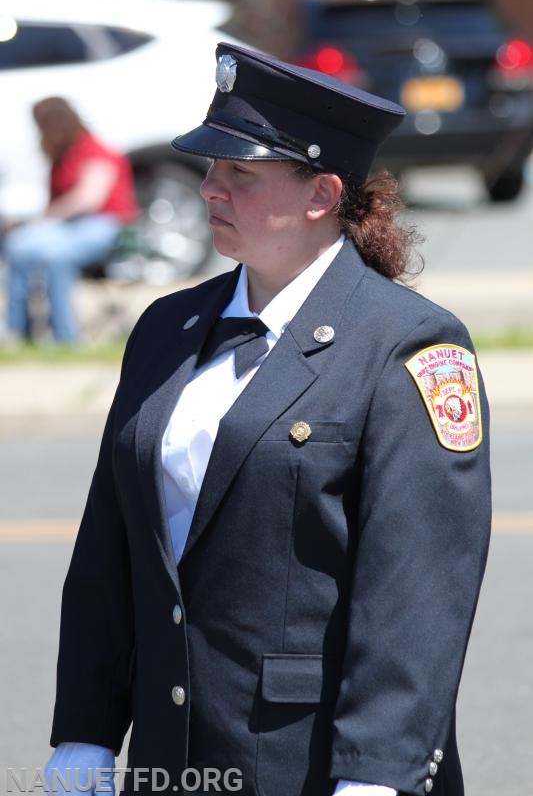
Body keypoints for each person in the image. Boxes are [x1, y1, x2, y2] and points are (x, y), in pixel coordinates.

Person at [43, 44, 491, 796]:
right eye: (211, 170)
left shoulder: (407, 342)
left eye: (240, 174)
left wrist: (376, 773)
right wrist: (85, 727)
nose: (209, 189)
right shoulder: (167, 327)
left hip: (311, 762)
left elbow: (416, 585)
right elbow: (111, 544)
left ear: (320, 195)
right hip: (171, 757)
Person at [2, 97, 138, 344]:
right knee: (17, 247)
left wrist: (42, 220)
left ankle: (65, 336)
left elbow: (89, 198)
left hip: (105, 226)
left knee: (57, 258)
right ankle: (18, 330)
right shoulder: (62, 156)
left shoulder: (94, 150)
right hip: (69, 227)